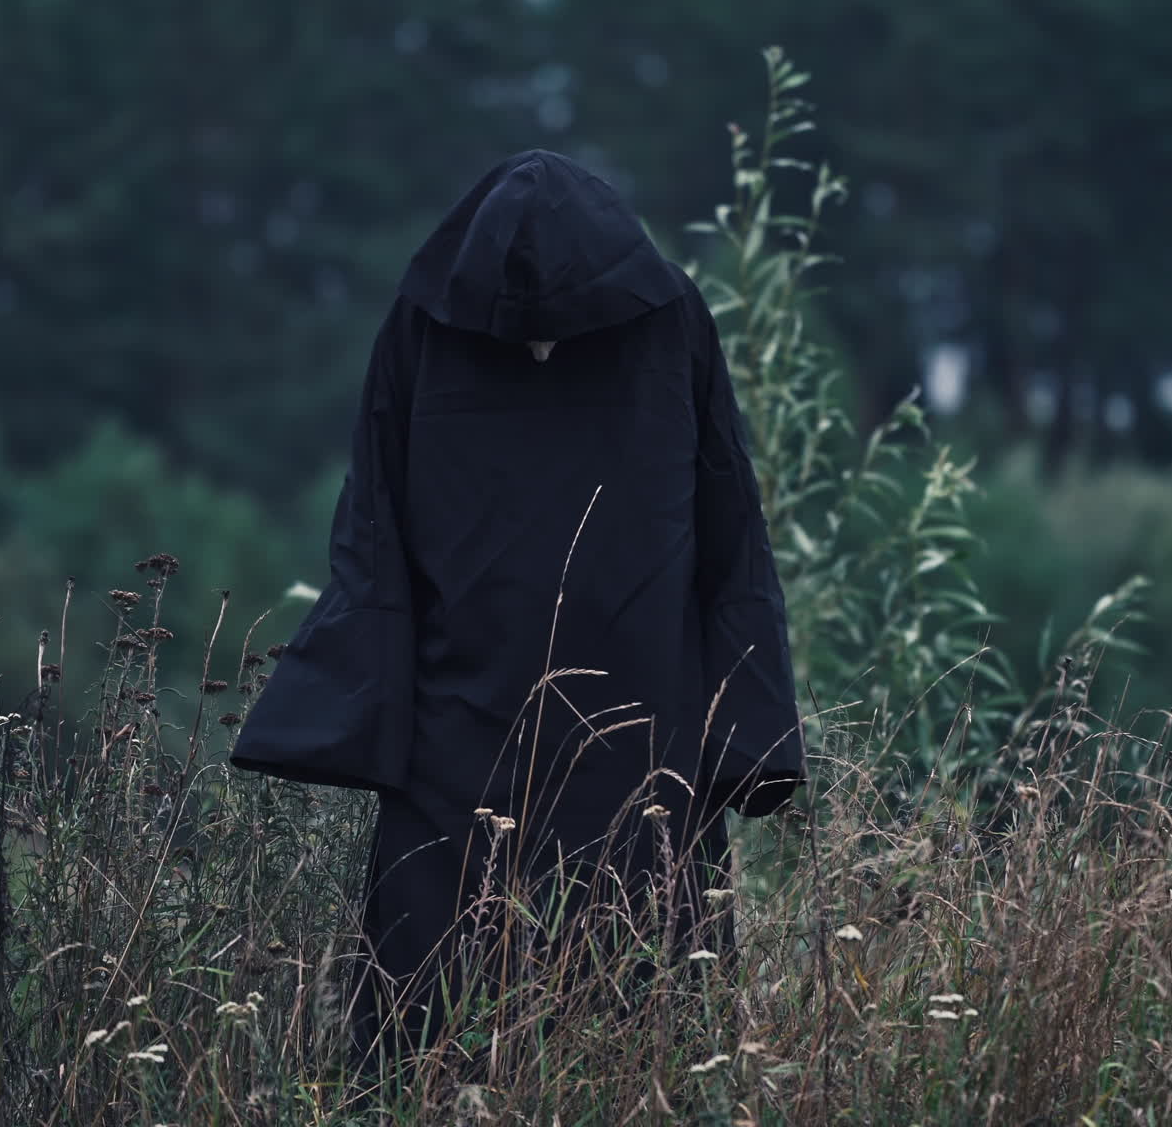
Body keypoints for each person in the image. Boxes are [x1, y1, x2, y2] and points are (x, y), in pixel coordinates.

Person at [231, 148, 803, 1061]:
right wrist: (748, 740)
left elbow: (371, 538)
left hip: (541, 746)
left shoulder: (449, 324)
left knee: (479, 1036)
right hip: (561, 743)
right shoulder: (638, 320)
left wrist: (359, 718)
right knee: (567, 1035)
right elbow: (733, 531)